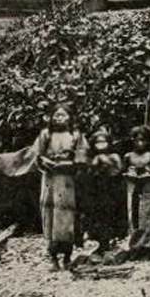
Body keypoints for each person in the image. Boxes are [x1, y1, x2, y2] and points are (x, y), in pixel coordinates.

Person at [26, 103, 89, 271]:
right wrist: (44, 161)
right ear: (51, 118)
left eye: (63, 115)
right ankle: (53, 257)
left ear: (70, 118)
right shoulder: (45, 135)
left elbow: (82, 156)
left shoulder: (75, 135)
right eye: (56, 115)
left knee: (67, 216)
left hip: (67, 179)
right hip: (49, 179)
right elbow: (35, 155)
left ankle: (67, 256)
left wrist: (73, 164)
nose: (59, 118)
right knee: (50, 215)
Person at [80, 128, 124, 256]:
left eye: (104, 142)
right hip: (95, 191)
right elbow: (87, 174)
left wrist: (107, 165)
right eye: (98, 142)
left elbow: (119, 171)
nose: (101, 145)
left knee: (110, 215)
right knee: (94, 216)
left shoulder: (114, 156)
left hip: (110, 190)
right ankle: (96, 242)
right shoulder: (91, 158)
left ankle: (109, 241)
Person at [124, 125, 150, 260]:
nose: (140, 143)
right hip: (133, 187)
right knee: (133, 216)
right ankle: (135, 247)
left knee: (147, 216)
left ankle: (148, 247)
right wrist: (129, 174)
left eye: (143, 140)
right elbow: (123, 172)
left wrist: (149, 174)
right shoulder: (128, 156)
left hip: (148, 187)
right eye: (136, 140)